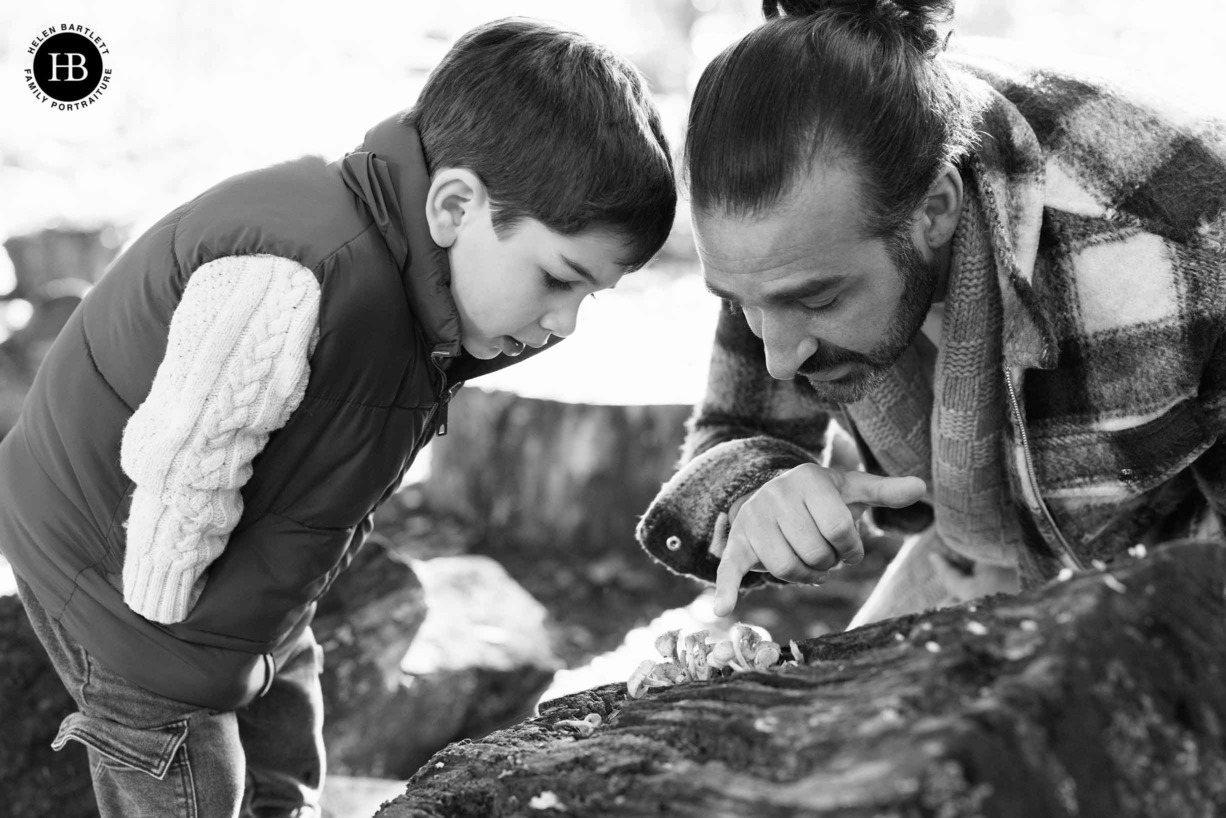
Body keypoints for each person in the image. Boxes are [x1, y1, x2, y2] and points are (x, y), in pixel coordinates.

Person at [0, 18, 675, 817]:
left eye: (589, 294)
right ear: (455, 205)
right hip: (123, 567)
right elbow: (187, 451)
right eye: (560, 280)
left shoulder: (435, 292)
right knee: (184, 761)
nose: (565, 323)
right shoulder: (299, 275)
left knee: (287, 727)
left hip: (249, 573)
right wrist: (167, 642)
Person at [637, 0, 1226, 627]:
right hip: (981, 548)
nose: (779, 360)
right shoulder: (786, 229)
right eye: (740, 302)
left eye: (816, 300)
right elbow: (735, 424)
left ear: (936, 208)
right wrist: (756, 489)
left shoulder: (1181, 258)